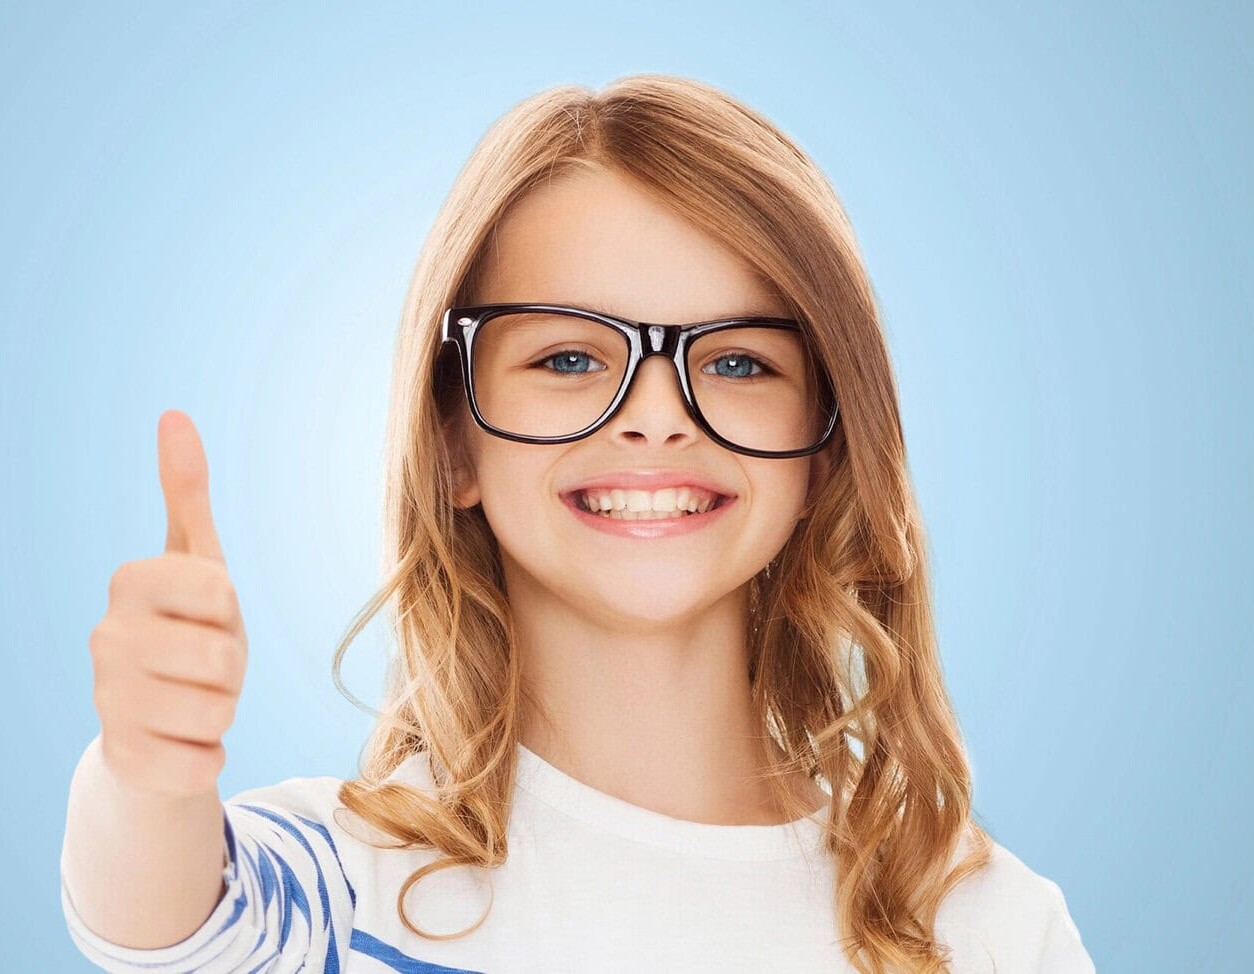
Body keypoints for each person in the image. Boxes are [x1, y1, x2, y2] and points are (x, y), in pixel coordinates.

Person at [60, 74, 1096, 973]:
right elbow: (160, 920)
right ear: (453, 441)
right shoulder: (346, 889)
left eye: (738, 361)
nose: (655, 414)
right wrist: (146, 777)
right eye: (567, 358)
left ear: (825, 446)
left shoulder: (987, 930)